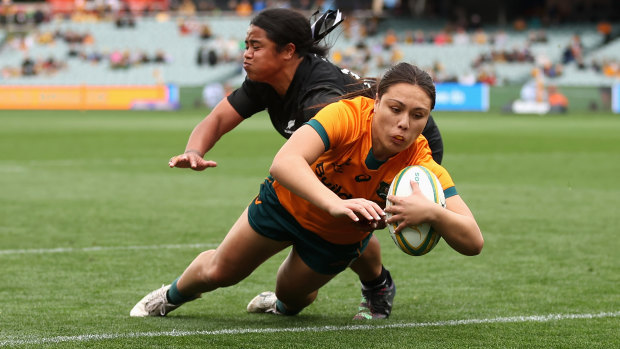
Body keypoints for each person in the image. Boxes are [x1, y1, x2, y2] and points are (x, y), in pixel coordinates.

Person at [130, 62, 483, 319]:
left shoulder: (419, 162)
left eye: (418, 115)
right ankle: (170, 296)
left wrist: (433, 212)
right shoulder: (345, 115)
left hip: (336, 237)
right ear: (376, 100)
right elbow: (284, 162)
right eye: (395, 109)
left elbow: (473, 241)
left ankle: (280, 302)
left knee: (292, 298)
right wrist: (334, 203)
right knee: (221, 272)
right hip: (284, 205)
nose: (404, 123)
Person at [166, 8, 444, 320]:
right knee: (342, 207)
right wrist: (194, 149)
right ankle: (375, 280)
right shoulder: (265, 79)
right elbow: (218, 119)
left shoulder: (322, 99)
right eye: (247, 45)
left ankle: (377, 285)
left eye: (256, 46)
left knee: (349, 215)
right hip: (354, 150)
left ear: (288, 52)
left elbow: (311, 167)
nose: (247, 55)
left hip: (405, 144)